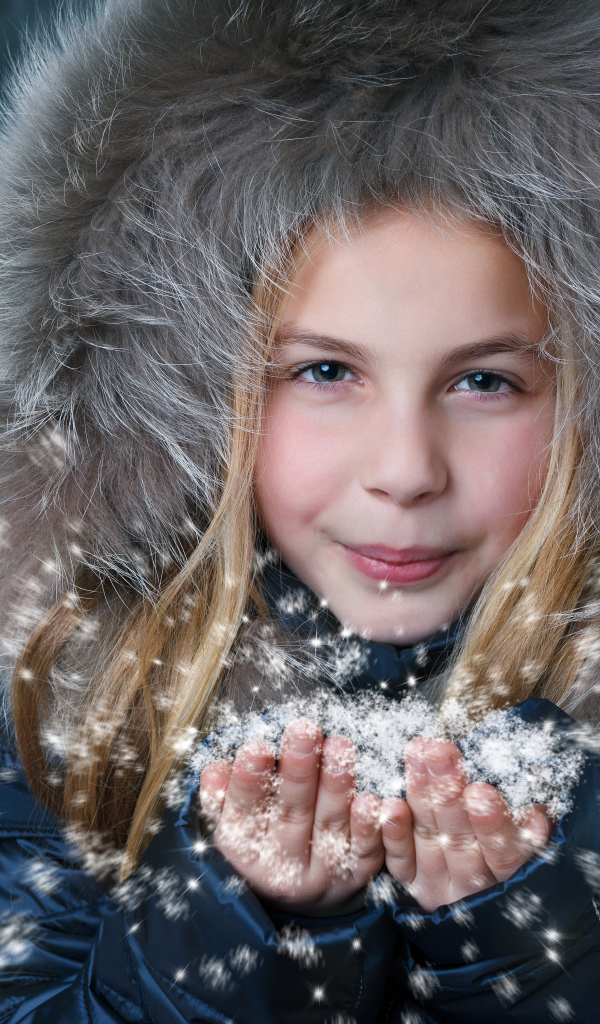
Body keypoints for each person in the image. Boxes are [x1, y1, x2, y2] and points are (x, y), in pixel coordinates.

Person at [0, 0, 599, 1021]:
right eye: (326, 371)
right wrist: (233, 923)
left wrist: (522, 947)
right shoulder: (77, 706)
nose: (406, 471)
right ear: (182, 389)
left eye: (485, 382)